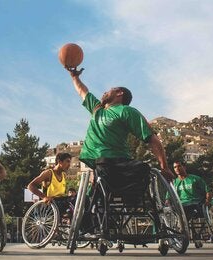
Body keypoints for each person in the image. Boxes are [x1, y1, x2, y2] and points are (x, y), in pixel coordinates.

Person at [66, 67, 174, 195]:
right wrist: (74, 77)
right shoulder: (97, 109)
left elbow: (152, 139)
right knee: (93, 197)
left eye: (110, 90)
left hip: (117, 162)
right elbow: (82, 91)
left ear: (119, 93)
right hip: (100, 164)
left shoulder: (126, 111)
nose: (105, 92)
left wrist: (164, 167)